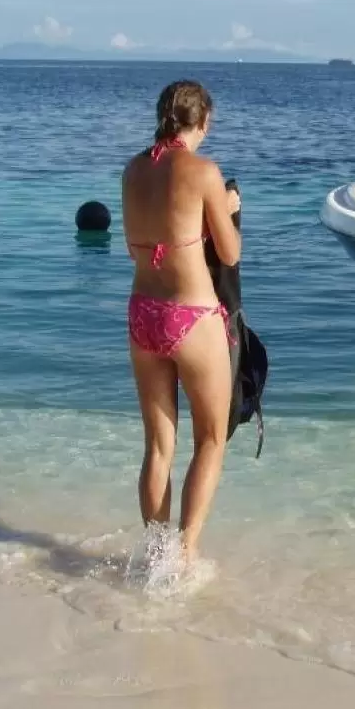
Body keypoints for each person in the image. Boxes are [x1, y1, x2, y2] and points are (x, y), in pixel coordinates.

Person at [122, 80, 241, 561]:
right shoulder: (203, 171)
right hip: (191, 316)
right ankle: (185, 555)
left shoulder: (132, 170)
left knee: (157, 447)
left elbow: (135, 246)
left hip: (142, 315)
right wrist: (228, 213)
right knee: (211, 438)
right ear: (204, 122)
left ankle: (155, 553)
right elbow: (229, 254)